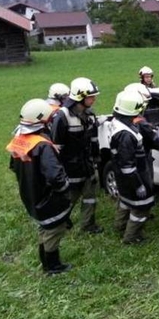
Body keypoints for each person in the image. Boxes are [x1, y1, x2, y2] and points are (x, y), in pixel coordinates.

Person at [6, 99, 72, 275]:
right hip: (47, 197)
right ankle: (52, 265)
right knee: (53, 230)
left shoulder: (19, 140)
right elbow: (55, 176)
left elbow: (13, 166)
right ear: (43, 121)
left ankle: (46, 260)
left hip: (29, 193)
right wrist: (64, 188)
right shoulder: (42, 146)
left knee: (44, 227)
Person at [110, 90, 159, 244]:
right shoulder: (126, 135)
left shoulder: (119, 123)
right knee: (141, 207)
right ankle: (131, 237)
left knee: (125, 200)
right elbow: (128, 166)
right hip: (135, 175)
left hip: (122, 175)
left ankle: (120, 226)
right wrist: (139, 185)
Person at [50, 77, 103, 234]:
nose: (94, 99)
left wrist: (96, 158)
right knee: (69, 198)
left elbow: (93, 139)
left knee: (90, 197)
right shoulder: (62, 116)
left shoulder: (89, 114)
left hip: (87, 165)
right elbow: (55, 147)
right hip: (70, 168)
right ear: (80, 96)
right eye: (91, 96)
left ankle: (88, 225)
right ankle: (58, 221)